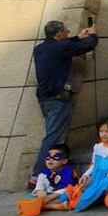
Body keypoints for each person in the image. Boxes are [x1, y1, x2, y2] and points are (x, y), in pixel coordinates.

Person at [30, 19, 99, 186]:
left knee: (55, 135)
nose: (68, 32)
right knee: (54, 137)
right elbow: (87, 46)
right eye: (66, 30)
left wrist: (77, 37)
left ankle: (51, 173)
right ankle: (38, 174)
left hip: (45, 98)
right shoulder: (60, 47)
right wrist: (93, 35)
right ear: (59, 33)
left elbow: (65, 45)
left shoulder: (40, 49)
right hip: (58, 98)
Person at [74, 116, 108, 212]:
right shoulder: (98, 147)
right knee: (83, 192)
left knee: (106, 182)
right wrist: (86, 175)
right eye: (101, 131)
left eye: (107, 131)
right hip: (97, 177)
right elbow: (94, 164)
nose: (103, 134)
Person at [32, 143, 78, 211]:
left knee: (67, 195)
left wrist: (50, 198)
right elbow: (38, 187)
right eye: (48, 157)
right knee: (29, 197)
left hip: (59, 195)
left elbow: (67, 188)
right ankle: (53, 206)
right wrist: (39, 192)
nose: (50, 160)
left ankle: (42, 205)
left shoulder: (67, 172)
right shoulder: (44, 173)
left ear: (64, 161)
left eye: (55, 157)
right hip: (48, 194)